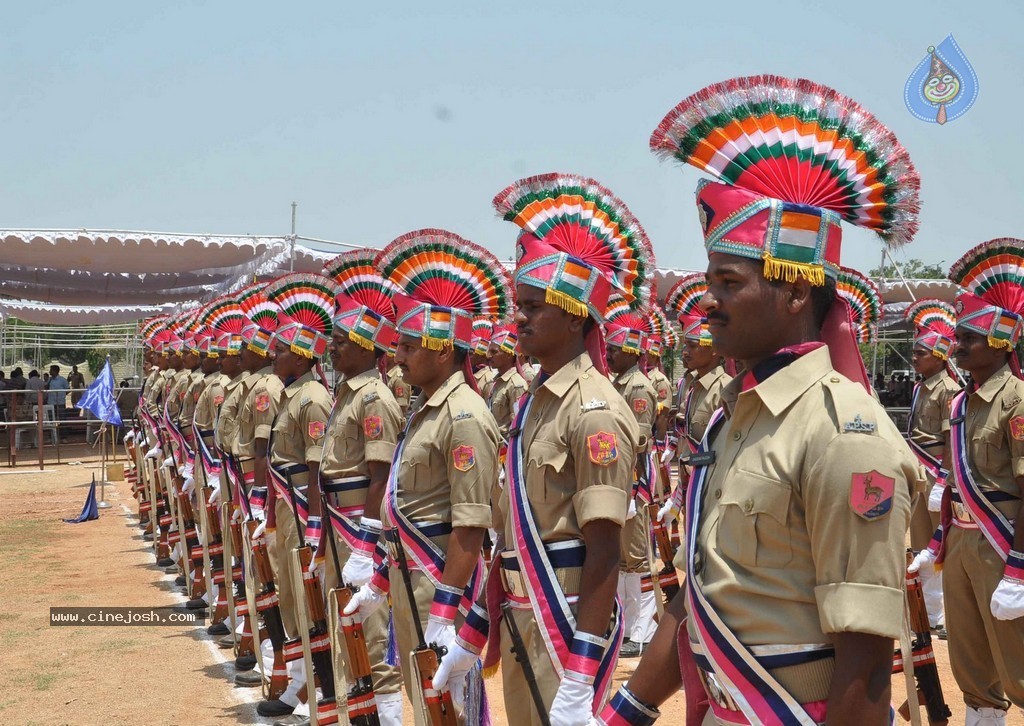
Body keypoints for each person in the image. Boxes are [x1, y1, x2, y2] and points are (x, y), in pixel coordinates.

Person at [597, 74, 923, 725]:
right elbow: (700, 597)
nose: (708, 303)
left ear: (796, 294)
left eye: (728, 281)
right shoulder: (735, 421)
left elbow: (865, 671)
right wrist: (624, 710)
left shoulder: (844, 437)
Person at [434, 173, 647, 725]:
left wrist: (580, 675)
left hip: (568, 620)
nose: (518, 319)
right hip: (523, 615)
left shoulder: (594, 409)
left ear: (576, 315)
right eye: (518, 305)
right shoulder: (537, 402)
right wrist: (471, 636)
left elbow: (603, 551)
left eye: (533, 307)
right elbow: (511, 539)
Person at [344, 229, 505, 725]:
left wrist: (445, 609)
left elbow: (471, 523)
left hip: (439, 580)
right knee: (424, 698)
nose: (398, 356)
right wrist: (376, 581)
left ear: (443, 350)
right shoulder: (425, 408)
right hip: (409, 575)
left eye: (410, 346)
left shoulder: (463, 415)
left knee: (448, 706)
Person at [909, 239, 1024, 724]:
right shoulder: (961, 405)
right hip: (960, 543)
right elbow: (955, 481)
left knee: (1016, 662)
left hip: (1001, 546)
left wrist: (1018, 570)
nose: (957, 347)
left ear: (999, 343)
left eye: (968, 340)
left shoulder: (1016, 400)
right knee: (970, 659)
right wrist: (937, 541)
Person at [320, 248, 405, 724]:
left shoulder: (374, 397)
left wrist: (366, 546)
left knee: (372, 640)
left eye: (340, 342)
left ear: (366, 346)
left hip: (359, 527)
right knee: (347, 628)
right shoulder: (349, 393)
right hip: (339, 522)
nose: (332, 349)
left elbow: (380, 477)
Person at [256, 273, 336, 721]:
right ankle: (301, 687)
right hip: (285, 511)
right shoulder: (292, 394)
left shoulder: (313, 399)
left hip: (303, 515)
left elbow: (315, 468)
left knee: (309, 606)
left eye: (282, 349)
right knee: (290, 600)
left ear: (303, 355)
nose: (274, 354)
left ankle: (318, 692)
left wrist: (313, 528)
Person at [605, 303, 659, 659]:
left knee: (638, 556)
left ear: (628, 351)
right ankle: (628, 623)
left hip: (633, 478)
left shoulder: (638, 388)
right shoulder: (620, 383)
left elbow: (638, 439)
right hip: (619, 476)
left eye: (612, 349)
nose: (607, 354)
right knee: (624, 556)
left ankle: (644, 628)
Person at [903, 299, 960, 633]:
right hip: (918, 467)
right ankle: (927, 615)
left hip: (936, 469)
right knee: (922, 541)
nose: (914, 358)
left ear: (939, 356)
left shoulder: (949, 390)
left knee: (941, 545)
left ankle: (942, 615)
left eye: (920, 353)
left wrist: (945, 479)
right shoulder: (920, 387)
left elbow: (951, 438)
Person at [658, 272, 731, 528]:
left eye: (691, 346)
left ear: (713, 349)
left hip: (713, 490)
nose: (684, 353)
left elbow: (722, 453)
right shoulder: (690, 386)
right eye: (684, 346)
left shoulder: (724, 391)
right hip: (691, 485)